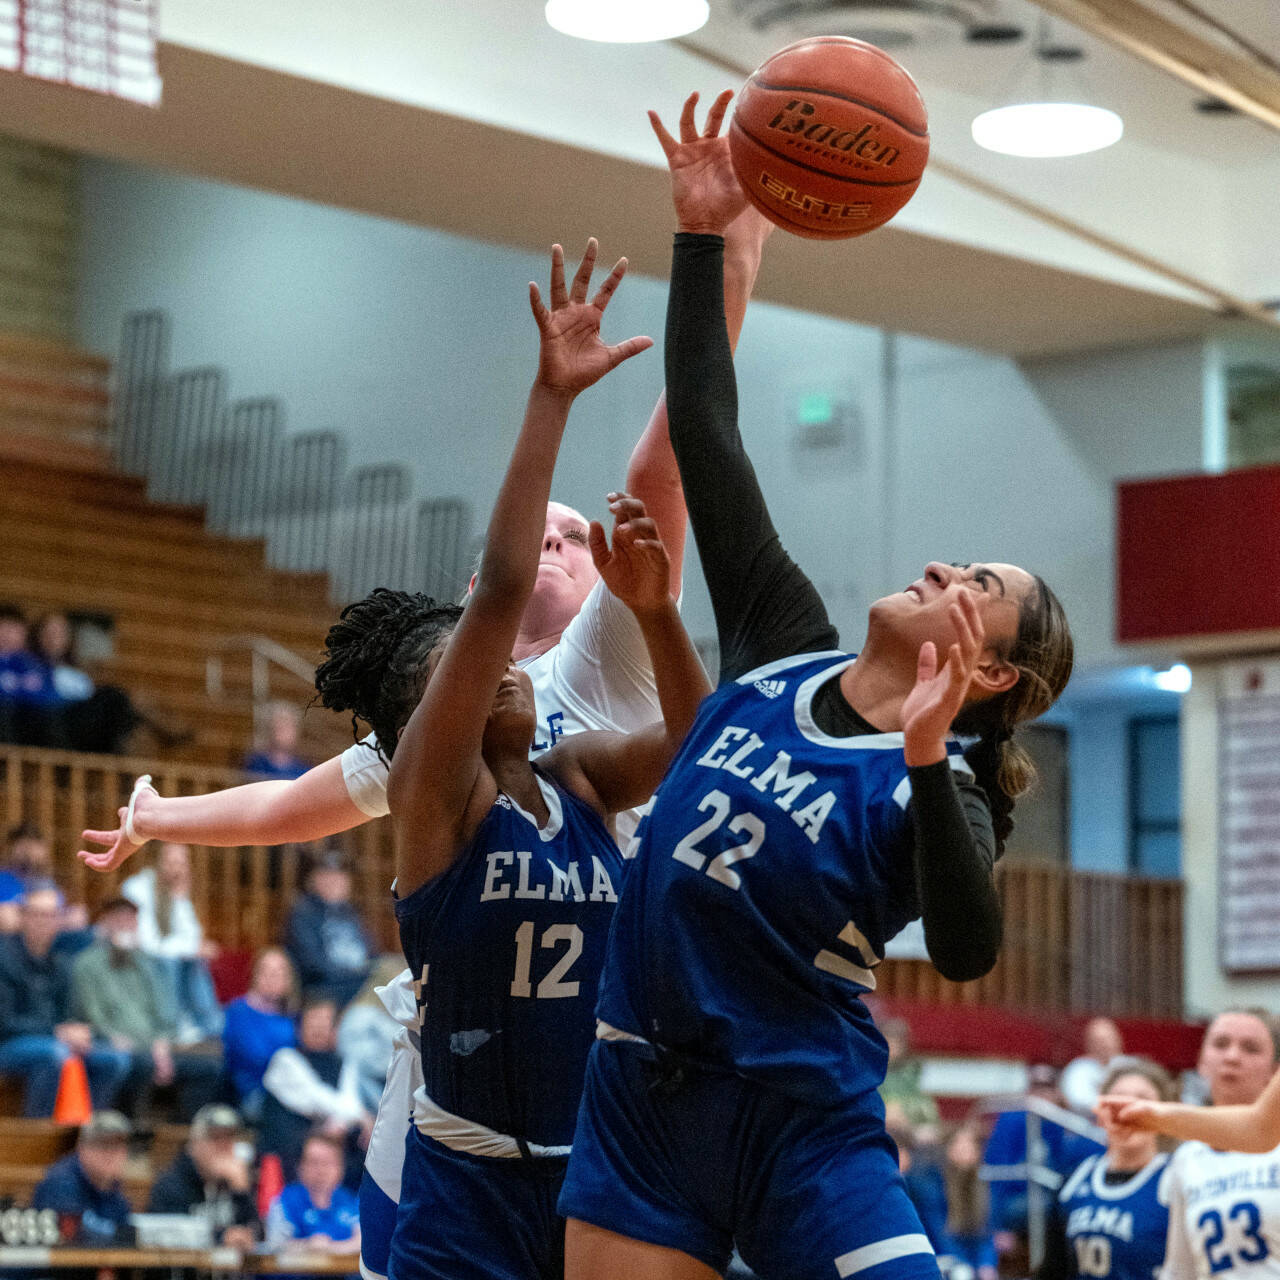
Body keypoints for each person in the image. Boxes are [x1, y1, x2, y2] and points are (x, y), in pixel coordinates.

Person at [78, 214, 769, 1280]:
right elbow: (284, 805)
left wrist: (732, 250)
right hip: (462, 1078)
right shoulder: (431, 756)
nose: (555, 535)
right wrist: (159, 816)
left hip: (609, 1039)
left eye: (575, 536)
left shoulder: (601, 665)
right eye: (538, 528)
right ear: (446, 656)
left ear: (609, 580)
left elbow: (665, 465)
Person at [555, 91, 1074, 1280]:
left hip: (804, 1127)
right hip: (644, 1092)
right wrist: (700, 235)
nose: (940, 562)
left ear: (989, 667)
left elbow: (963, 947)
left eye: (973, 581)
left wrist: (930, 755)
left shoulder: (945, 795)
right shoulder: (783, 639)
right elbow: (707, 426)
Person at [364, 238, 706, 1280]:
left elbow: (695, 744)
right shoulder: (433, 805)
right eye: (460, 673)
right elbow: (505, 587)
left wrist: (655, 617)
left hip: (594, 1175)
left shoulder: (582, 779)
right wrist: (548, 398)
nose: (500, 669)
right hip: (466, 1182)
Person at [1098, 1009, 1280, 1278]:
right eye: (1220, 1044)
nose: (1232, 1057)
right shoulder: (1187, 1158)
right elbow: (1179, 1270)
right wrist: (1154, 1115)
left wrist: (1156, 1115)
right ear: (1200, 1061)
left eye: (1250, 1048)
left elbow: (1259, 1130)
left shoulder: (1267, 1139)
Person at [69, 896, 221, 1121]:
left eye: (129, 919)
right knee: (139, 1063)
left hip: (154, 1045)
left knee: (209, 1066)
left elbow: (164, 1009)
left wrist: (161, 1043)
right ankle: (136, 1134)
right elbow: (91, 1012)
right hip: (115, 1043)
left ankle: (178, 1135)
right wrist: (113, 1037)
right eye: (117, 919)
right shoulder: (87, 963)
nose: (123, 925)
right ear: (104, 923)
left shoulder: (147, 962)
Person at [0, 885, 130, 1115]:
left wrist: (88, 1035)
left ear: (59, 921)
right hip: (10, 1043)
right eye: (37, 914)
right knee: (55, 1054)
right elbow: (6, 1023)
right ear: (23, 917)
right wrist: (58, 1033)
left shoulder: (61, 963)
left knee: (114, 1059)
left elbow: (69, 1016)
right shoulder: (5, 958)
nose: (43, 922)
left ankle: (87, 1137)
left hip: (52, 1040)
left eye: (50, 915)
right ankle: (39, 1136)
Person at [1037, 1060, 1173, 1280]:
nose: (1129, 1110)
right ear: (1101, 1111)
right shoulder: (1077, 1179)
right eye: (1118, 1099)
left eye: (1142, 1100)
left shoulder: (1176, 1178)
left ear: (1164, 1112)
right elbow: (1053, 1269)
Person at [260, 996, 371, 1184]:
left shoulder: (345, 1063)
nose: (318, 1028)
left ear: (335, 1029)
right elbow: (317, 1100)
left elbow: (349, 1103)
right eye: (312, 1020)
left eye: (324, 1021)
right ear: (299, 1026)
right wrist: (362, 1117)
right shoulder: (285, 1060)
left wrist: (347, 1123)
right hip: (291, 1153)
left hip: (339, 1154)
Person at [121, 841, 223, 1042]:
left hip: (163, 961)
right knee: (173, 961)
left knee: (194, 961)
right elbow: (148, 943)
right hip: (134, 960)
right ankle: (172, 1027)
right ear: (157, 861)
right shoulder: (137, 887)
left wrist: (179, 898)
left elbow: (193, 938)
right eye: (171, 862)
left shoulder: (175, 893)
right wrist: (191, 949)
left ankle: (210, 1029)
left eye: (182, 864)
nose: (176, 869)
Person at [147, 1102, 260, 1249]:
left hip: (227, 1271)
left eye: (229, 1138)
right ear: (194, 1144)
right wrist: (220, 1238)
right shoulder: (171, 1184)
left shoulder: (237, 1182)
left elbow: (258, 1234)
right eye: (215, 1138)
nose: (223, 1146)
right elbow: (162, 1234)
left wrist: (241, 1192)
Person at [283, 849, 373, 1009]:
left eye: (340, 876)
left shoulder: (352, 912)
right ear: (314, 880)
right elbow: (313, 964)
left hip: (360, 986)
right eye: (328, 876)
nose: (334, 881)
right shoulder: (303, 912)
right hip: (325, 992)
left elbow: (372, 953)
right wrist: (358, 976)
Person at [32, 1110, 136, 1245]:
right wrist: (120, 1234)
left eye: (117, 1147)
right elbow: (73, 1235)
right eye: (102, 1145)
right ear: (82, 1148)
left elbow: (125, 1232)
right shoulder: (60, 1182)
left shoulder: (113, 1188)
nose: (111, 1155)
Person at [222, 946, 297, 1114]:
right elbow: (256, 1056)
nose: (273, 978)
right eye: (266, 972)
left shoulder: (293, 1015)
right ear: (254, 975)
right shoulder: (239, 1011)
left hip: (292, 1089)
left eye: (280, 972)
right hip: (254, 1094)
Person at [265, 1132, 361, 1259]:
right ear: (299, 1167)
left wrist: (330, 1248)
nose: (321, 1170)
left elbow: (363, 1242)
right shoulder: (284, 1201)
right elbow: (274, 1245)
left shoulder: (350, 1200)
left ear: (341, 1168)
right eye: (314, 1162)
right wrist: (307, 1245)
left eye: (328, 1163)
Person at [336, 956, 402, 1116]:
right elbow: (357, 1061)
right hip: (366, 1092)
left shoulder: (398, 1014)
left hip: (395, 1086)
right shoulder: (360, 1015)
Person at [1060, 1017, 1126, 1116]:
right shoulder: (1078, 1068)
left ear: (1119, 1039)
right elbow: (1078, 1101)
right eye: (1098, 1040)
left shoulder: (1132, 1066)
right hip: (1086, 1128)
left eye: (1108, 1038)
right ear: (1088, 1043)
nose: (1104, 1044)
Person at [244, 701, 312, 781]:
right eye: (280, 726)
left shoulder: (305, 772)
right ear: (269, 729)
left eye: (289, 727)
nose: (285, 732)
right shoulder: (255, 764)